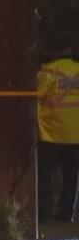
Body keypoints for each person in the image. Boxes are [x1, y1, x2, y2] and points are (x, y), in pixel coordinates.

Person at [38, 43, 79, 223]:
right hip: (75, 134)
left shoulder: (47, 71)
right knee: (72, 178)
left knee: (45, 175)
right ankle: (66, 214)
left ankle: (42, 213)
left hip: (51, 134)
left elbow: (35, 99)